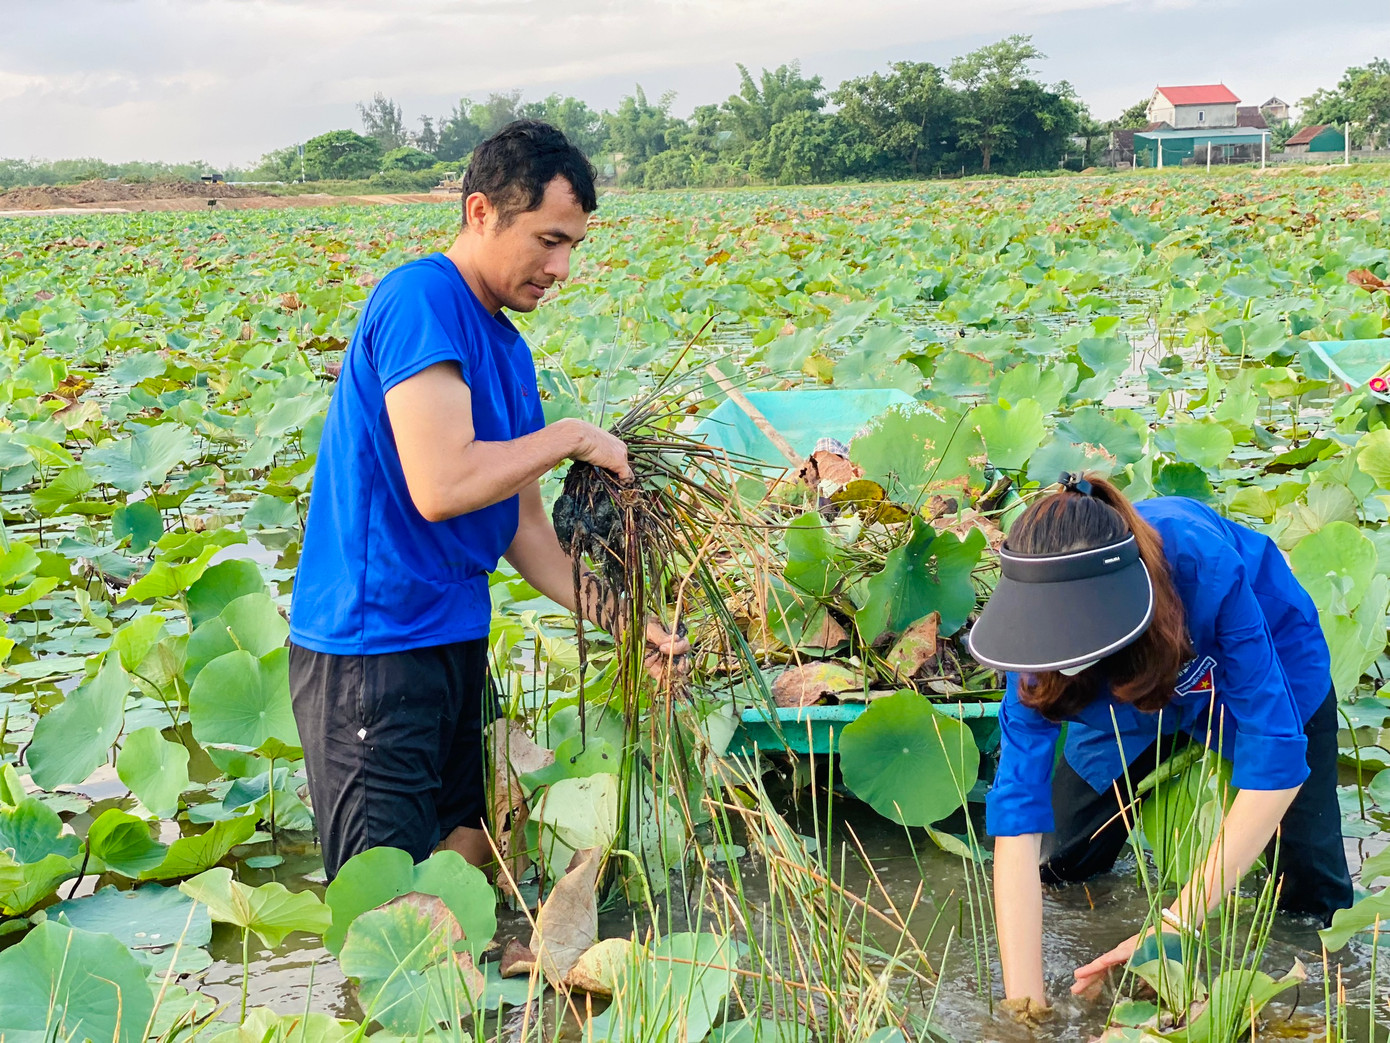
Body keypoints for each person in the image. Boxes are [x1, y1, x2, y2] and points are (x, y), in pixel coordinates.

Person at [287, 120, 688, 881]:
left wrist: (634, 626)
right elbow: (443, 486)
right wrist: (570, 436)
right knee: (387, 902)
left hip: (455, 636)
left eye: (573, 246)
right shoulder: (420, 299)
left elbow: (528, 532)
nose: (561, 268)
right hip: (374, 648)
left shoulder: (508, 347)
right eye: (548, 240)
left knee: (470, 847)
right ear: (481, 212)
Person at [967, 473, 1351, 1009]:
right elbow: (1017, 813)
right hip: (1117, 699)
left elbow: (1276, 765)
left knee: (1310, 895)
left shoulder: (1203, 564)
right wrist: (1024, 1009)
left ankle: (1307, 998)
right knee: (1061, 863)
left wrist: (1174, 923)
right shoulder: (1033, 631)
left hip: (1254, 664)